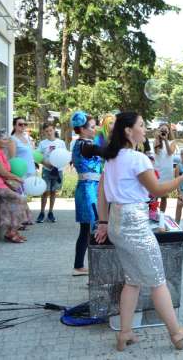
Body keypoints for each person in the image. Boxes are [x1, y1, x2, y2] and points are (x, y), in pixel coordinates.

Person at [94, 112, 183, 351]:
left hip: (116, 223)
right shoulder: (137, 158)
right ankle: (176, 332)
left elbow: (101, 194)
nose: (145, 129)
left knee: (133, 281)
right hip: (134, 224)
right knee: (157, 280)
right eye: (141, 126)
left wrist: (102, 223)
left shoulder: (111, 158)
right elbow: (158, 190)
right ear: (128, 131)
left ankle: (125, 333)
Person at [71, 111, 104, 276]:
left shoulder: (82, 144)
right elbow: (102, 150)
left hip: (89, 188)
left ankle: (79, 265)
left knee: (87, 229)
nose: (95, 129)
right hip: (88, 190)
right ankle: (85, 266)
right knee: (90, 228)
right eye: (92, 127)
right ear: (82, 129)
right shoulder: (85, 145)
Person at [0, 130, 27, 243]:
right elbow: (2, 172)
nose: (6, 141)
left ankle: (11, 231)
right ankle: (12, 231)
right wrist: (17, 178)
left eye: (7, 139)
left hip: (2, 184)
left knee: (7, 206)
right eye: (4, 139)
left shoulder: (0, 151)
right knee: (20, 199)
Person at [36, 123, 67, 223]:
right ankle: (41, 212)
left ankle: (50, 212)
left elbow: (64, 156)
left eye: (51, 130)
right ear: (44, 132)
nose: (49, 133)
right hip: (47, 170)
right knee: (45, 192)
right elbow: (37, 156)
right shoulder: (42, 143)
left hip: (58, 170)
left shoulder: (61, 143)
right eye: (47, 131)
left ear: (54, 130)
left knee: (53, 192)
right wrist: (45, 163)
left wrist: (59, 164)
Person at [10, 117, 36, 224]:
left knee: (24, 195)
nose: (23, 126)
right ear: (15, 126)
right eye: (20, 124)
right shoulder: (12, 139)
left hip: (30, 169)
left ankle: (24, 218)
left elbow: (31, 154)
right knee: (20, 196)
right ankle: (20, 221)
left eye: (25, 124)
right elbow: (13, 158)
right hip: (20, 171)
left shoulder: (26, 137)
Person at [154, 124, 177, 213]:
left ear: (169, 131)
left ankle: (162, 215)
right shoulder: (156, 141)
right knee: (154, 194)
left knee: (164, 196)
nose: (163, 132)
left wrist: (166, 140)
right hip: (157, 170)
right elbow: (156, 151)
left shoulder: (173, 142)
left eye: (165, 130)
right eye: (162, 130)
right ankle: (153, 212)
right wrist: (158, 138)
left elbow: (170, 152)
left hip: (167, 172)